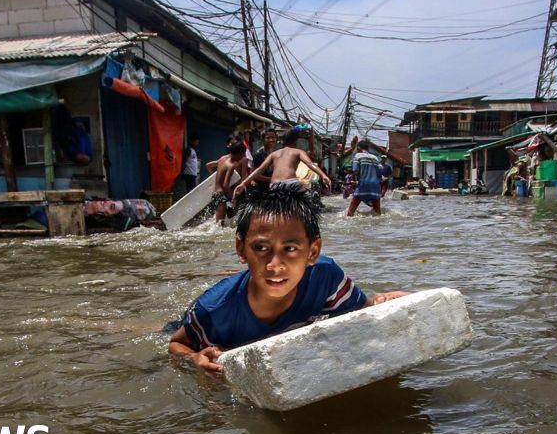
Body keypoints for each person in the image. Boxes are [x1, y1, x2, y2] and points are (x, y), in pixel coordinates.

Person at [167, 185, 408, 372]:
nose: (275, 266)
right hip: (196, 322)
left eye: (290, 249)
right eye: (261, 248)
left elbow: (360, 313)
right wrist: (194, 358)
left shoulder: (326, 278)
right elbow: (176, 344)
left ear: (312, 251)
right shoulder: (213, 311)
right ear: (241, 249)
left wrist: (382, 303)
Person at [234, 128, 330, 196]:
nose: (271, 140)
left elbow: (259, 169)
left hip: (274, 186)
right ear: (296, 142)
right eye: (268, 138)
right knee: (308, 201)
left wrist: (243, 183)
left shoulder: (274, 153)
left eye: (273, 138)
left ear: (281, 141)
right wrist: (323, 176)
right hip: (290, 184)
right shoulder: (299, 151)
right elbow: (310, 164)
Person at [206, 142, 249, 223]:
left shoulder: (222, 159)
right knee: (220, 225)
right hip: (222, 195)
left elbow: (208, 165)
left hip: (216, 194)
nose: (243, 157)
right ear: (239, 154)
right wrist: (232, 199)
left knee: (218, 224)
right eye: (243, 154)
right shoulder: (231, 165)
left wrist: (215, 178)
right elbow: (226, 185)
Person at [347, 141, 382, 216]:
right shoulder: (375, 158)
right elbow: (379, 172)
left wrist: (354, 181)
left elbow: (355, 171)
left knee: (350, 213)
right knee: (378, 213)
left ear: (359, 148)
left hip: (363, 185)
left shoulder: (358, 156)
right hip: (375, 187)